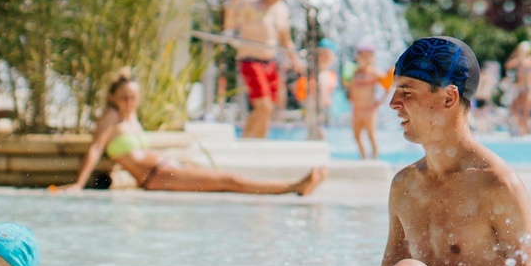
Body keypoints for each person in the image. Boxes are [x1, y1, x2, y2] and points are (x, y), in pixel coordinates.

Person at [217, 37, 531, 266]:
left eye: (406, 92)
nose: (393, 104)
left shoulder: (497, 185)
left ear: (448, 98)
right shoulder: (406, 184)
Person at [54, 69, 327, 196]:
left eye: (134, 97)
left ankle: (293, 186)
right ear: (113, 97)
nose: (130, 102)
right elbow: (94, 149)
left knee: (227, 180)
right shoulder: (111, 118)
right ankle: (293, 187)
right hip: (156, 176)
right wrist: (78, 184)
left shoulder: (131, 116)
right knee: (230, 180)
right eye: (125, 97)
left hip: (165, 168)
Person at [226, 0, 297, 139]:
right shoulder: (251, 4)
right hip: (250, 59)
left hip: (270, 62)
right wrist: (233, 5)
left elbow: (285, 39)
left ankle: (252, 141)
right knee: (263, 106)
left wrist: (295, 60)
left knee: (268, 108)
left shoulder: (281, 9)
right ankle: (251, 142)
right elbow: (230, 25)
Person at [346, 42, 388, 160]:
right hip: (356, 109)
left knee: (371, 135)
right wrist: (349, 95)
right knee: (357, 135)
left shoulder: (374, 72)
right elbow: (350, 87)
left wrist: (381, 100)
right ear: (357, 57)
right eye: (364, 57)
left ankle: (375, 159)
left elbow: (387, 84)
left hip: (370, 110)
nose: (367, 60)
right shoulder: (354, 72)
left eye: (370, 56)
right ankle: (364, 158)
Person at [505, 40, 531, 135]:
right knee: (515, 108)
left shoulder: (530, 60)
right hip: (520, 87)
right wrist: (515, 54)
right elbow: (507, 65)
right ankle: (522, 127)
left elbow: (529, 72)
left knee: (526, 109)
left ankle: (526, 129)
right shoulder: (519, 60)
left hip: (527, 87)